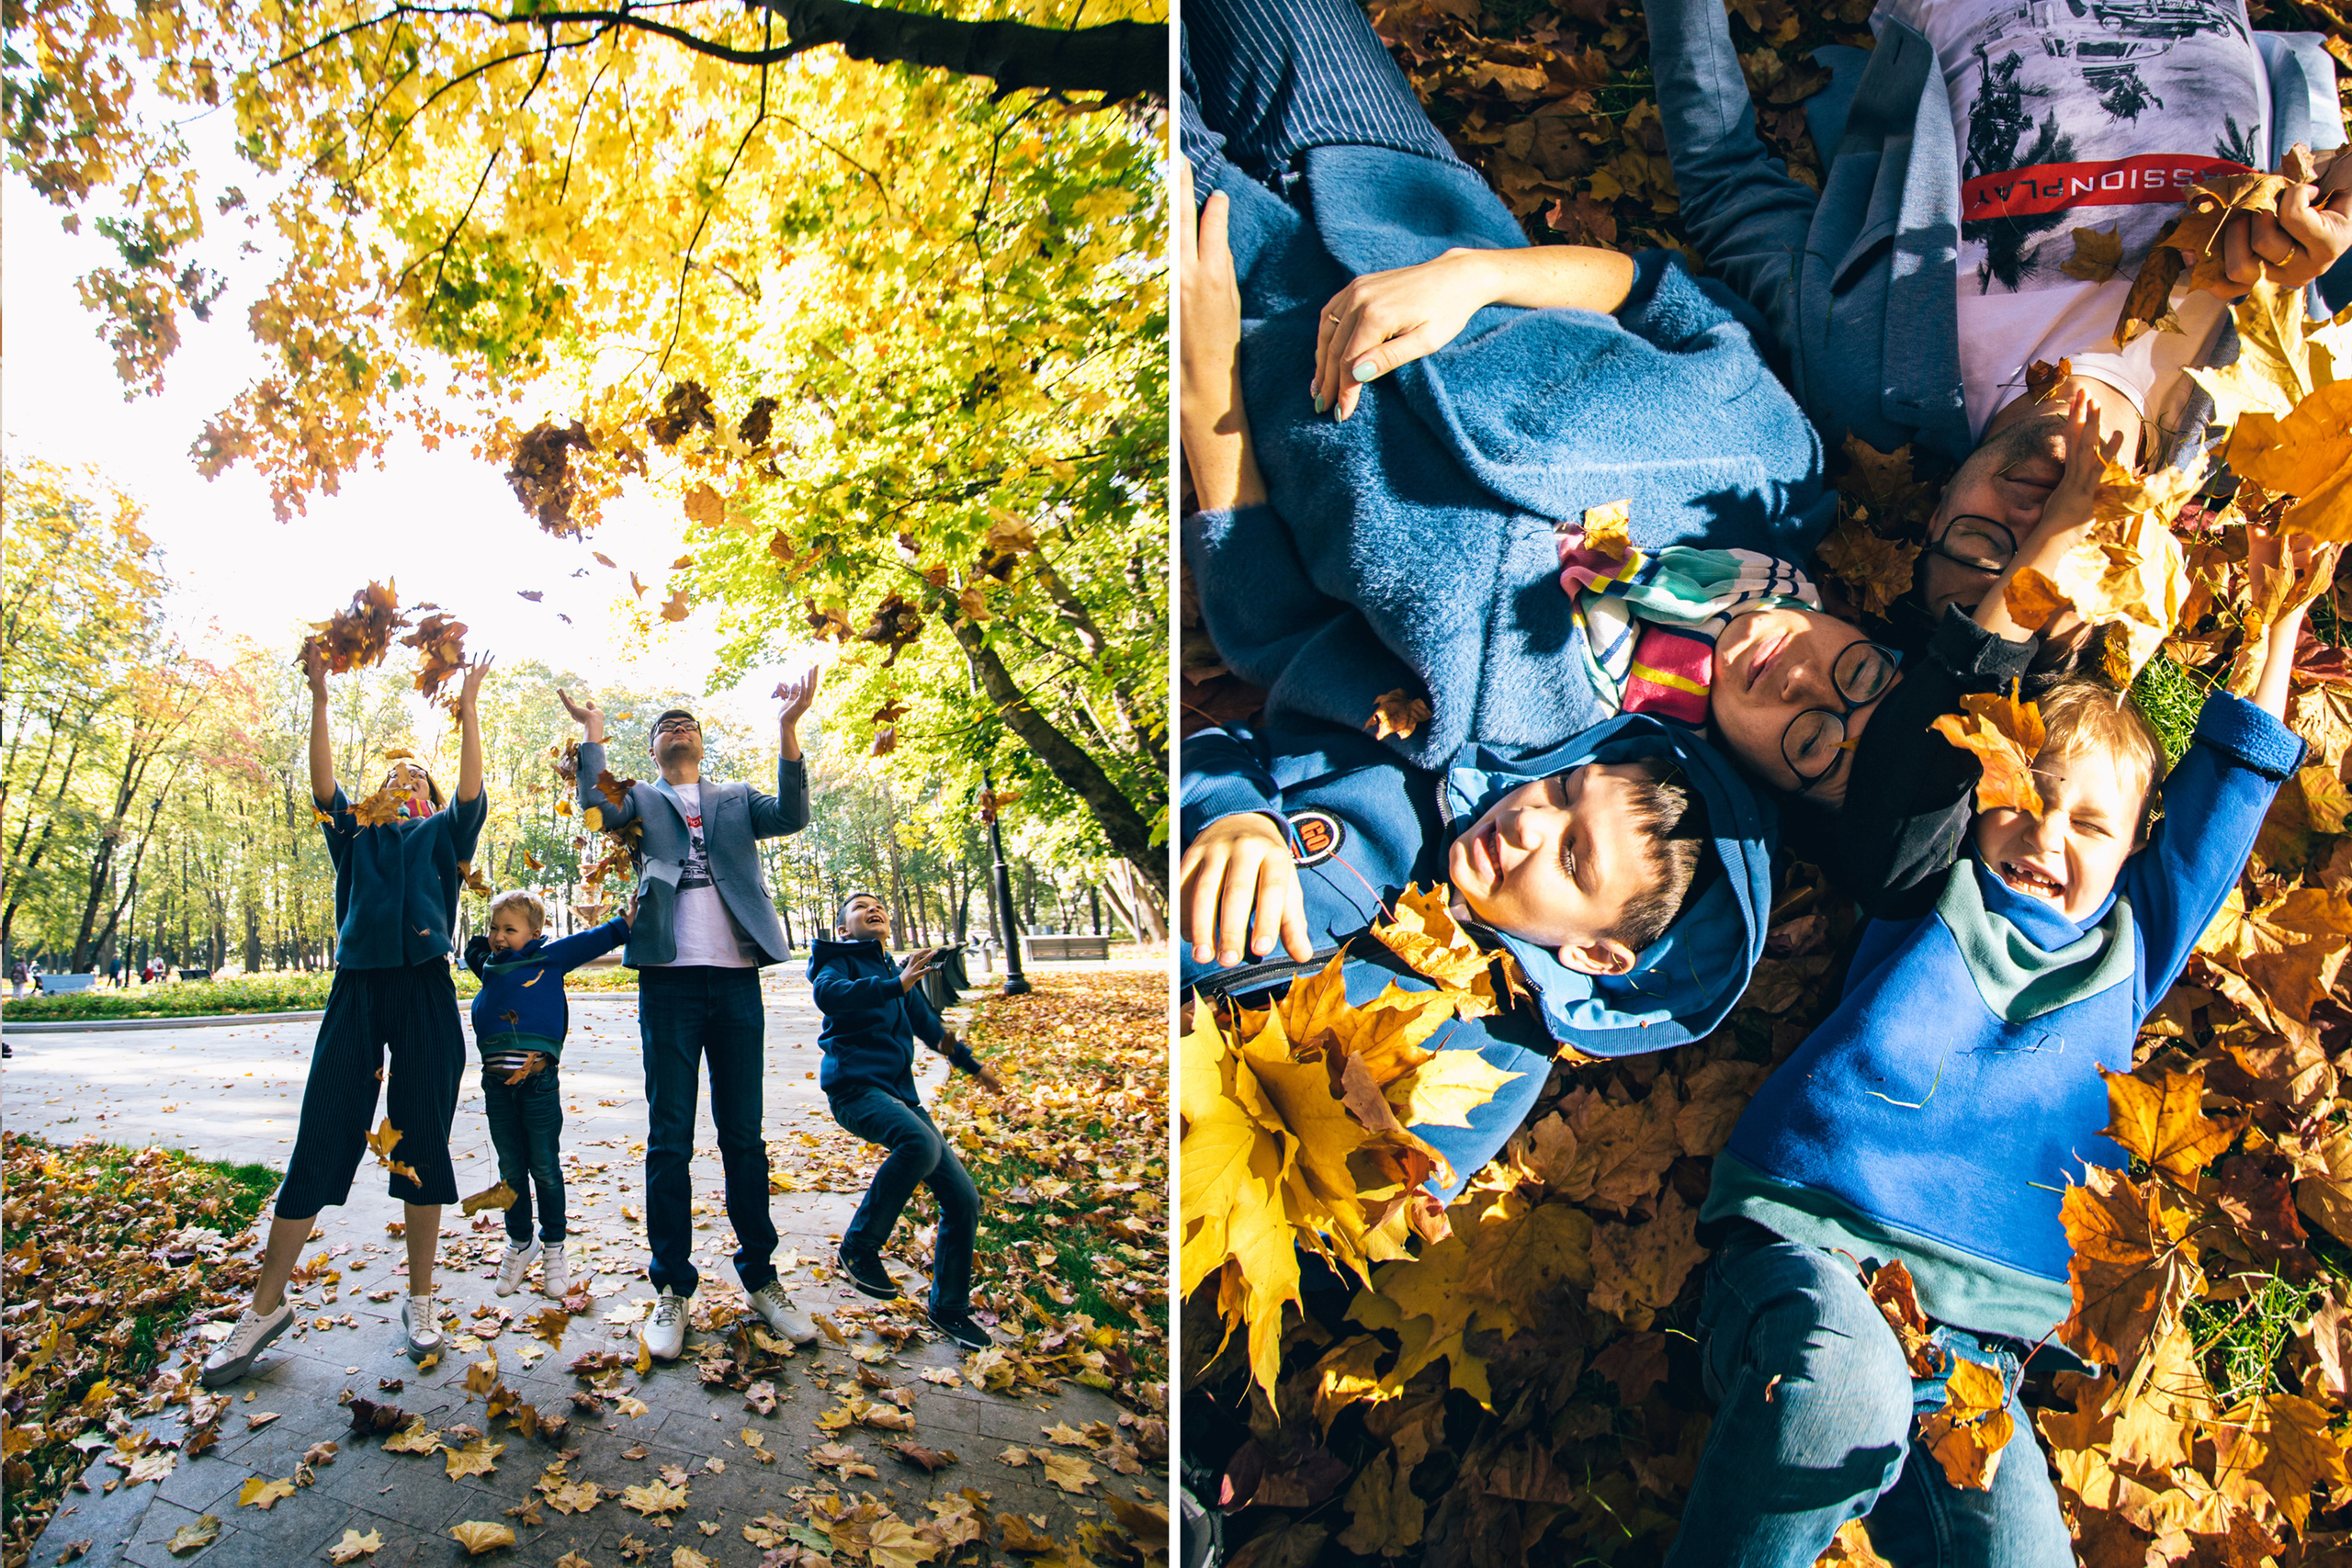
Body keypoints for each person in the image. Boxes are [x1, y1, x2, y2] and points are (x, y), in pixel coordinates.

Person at [1668, 418, 2325, 1564]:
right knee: (1840, 1403)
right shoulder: (1933, 884)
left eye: (2090, 824)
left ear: (2132, 852)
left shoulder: (2133, 948)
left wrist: (2275, 629)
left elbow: (2227, 795)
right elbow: (1939, 749)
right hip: (1817, 1246)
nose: (2045, 834)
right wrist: (2027, 584)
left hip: (1982, 1352)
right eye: (2023, 798)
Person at [1639, 0, 2351, 637]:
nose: (2038, 523)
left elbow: (1725, 185)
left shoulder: (1865, 372)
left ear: (1935, 517)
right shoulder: (2273, 418)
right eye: (2064, 567)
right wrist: (2340, 190)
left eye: (1983, 552)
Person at [1182, 705, 1770, 1192]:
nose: (1530, 821)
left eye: (1571, 858)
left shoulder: (1499, 1062)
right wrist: (1233, 814)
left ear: (1595, 955)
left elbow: (1367, 1214)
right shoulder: (1392, 782)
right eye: (1564, 788)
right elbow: (1223, 747)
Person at [200, 649, 492, 1387]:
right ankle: (264, 1306)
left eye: (416, 776)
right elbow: (323, 784)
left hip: (425, 990)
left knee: (421, 1141)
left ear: (428, 797)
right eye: (393, 775)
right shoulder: (356, 833)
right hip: (356, 990)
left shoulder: (443, 835)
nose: (405, 779)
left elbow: (469, 791)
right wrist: (321, 699)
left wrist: (469, 708)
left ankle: (421, 1300)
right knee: (323, 1132)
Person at [560, 671, 821, 1359]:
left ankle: (762, 1279)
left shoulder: (735, 797)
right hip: (668, 983)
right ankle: (672, 1288)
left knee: (744, 1138)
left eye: (687, 725)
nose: (677, 729)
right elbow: (595, 807)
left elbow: (793, 815)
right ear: (652, 751)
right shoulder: (641, 799)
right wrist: (593, 733)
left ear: (701, 744)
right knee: (669, 1139)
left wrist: (788, 727)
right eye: (664, 727)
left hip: (736, 984)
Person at [813, 893, 1005, 1351]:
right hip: (854, 1090)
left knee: (964, 1199)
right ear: (843, 928)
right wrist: (894, 986)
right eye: (859, 907)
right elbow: (829, 995)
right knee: (921, 1144)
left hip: (899, 1096)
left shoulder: (897, 972)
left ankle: (950, 1308)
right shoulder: (835, 961)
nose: (872, 909)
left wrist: (974, 1067)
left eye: (878, 904)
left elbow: (931, 1028)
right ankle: (859, 1247)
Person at [463, 888, 631, 1300]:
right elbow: (473, 949)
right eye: (494, 928)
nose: (499, 936)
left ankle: (554, 1245)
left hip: (538, 1086)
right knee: (510, 1169)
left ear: (535, 934)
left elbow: (591, 941)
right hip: (497, 1089)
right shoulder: (491, 966)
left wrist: (625, 924)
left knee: (544, 1167)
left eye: (510, 929)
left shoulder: (547, 958)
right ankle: (521, 1242)